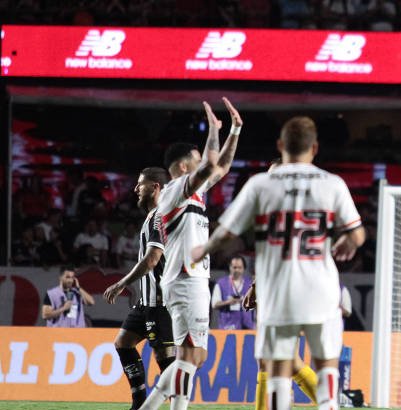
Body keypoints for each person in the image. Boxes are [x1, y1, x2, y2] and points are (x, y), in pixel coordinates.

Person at [191, 116, 365, 410]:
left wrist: (202, 249)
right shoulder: (332, 184)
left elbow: (226, 233)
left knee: (276, 373)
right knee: (326, 369)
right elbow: (357, 234)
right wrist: (349, 241)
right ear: (315, 148)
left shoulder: (261, 184)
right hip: (321, 291)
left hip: (279, 293)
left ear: (281, 145)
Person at [138, 97, 243, 410]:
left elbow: (221, 167)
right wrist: (213, 130)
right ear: (184, 167)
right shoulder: (175, 190)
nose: (202, 164)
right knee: (188, 359)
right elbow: (210, 165)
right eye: (195, 160)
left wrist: (235, 131)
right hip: (186, 279)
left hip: (188, 280)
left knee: (195, 357)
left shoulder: (191, 192)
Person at [102, 167, 175, 410]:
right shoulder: (152, 215)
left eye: (140, 184)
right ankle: (139, 402)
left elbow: (152, 259)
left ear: (155, 187)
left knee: (166, 361)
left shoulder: (161, 215)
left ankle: (178, 405)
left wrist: (121, 283)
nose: (135, 189)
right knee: (123, 343)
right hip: (146, 303)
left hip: (160, 302)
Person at [211, 255, 254, 330]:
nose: (237, 270)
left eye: (239, 267)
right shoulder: (221, 283)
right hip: (227, 326)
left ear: (244, 268)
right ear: (230, 267)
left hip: (247, 327)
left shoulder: (250, 284)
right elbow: (214, 304)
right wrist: (228, 302)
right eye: (234, 267)